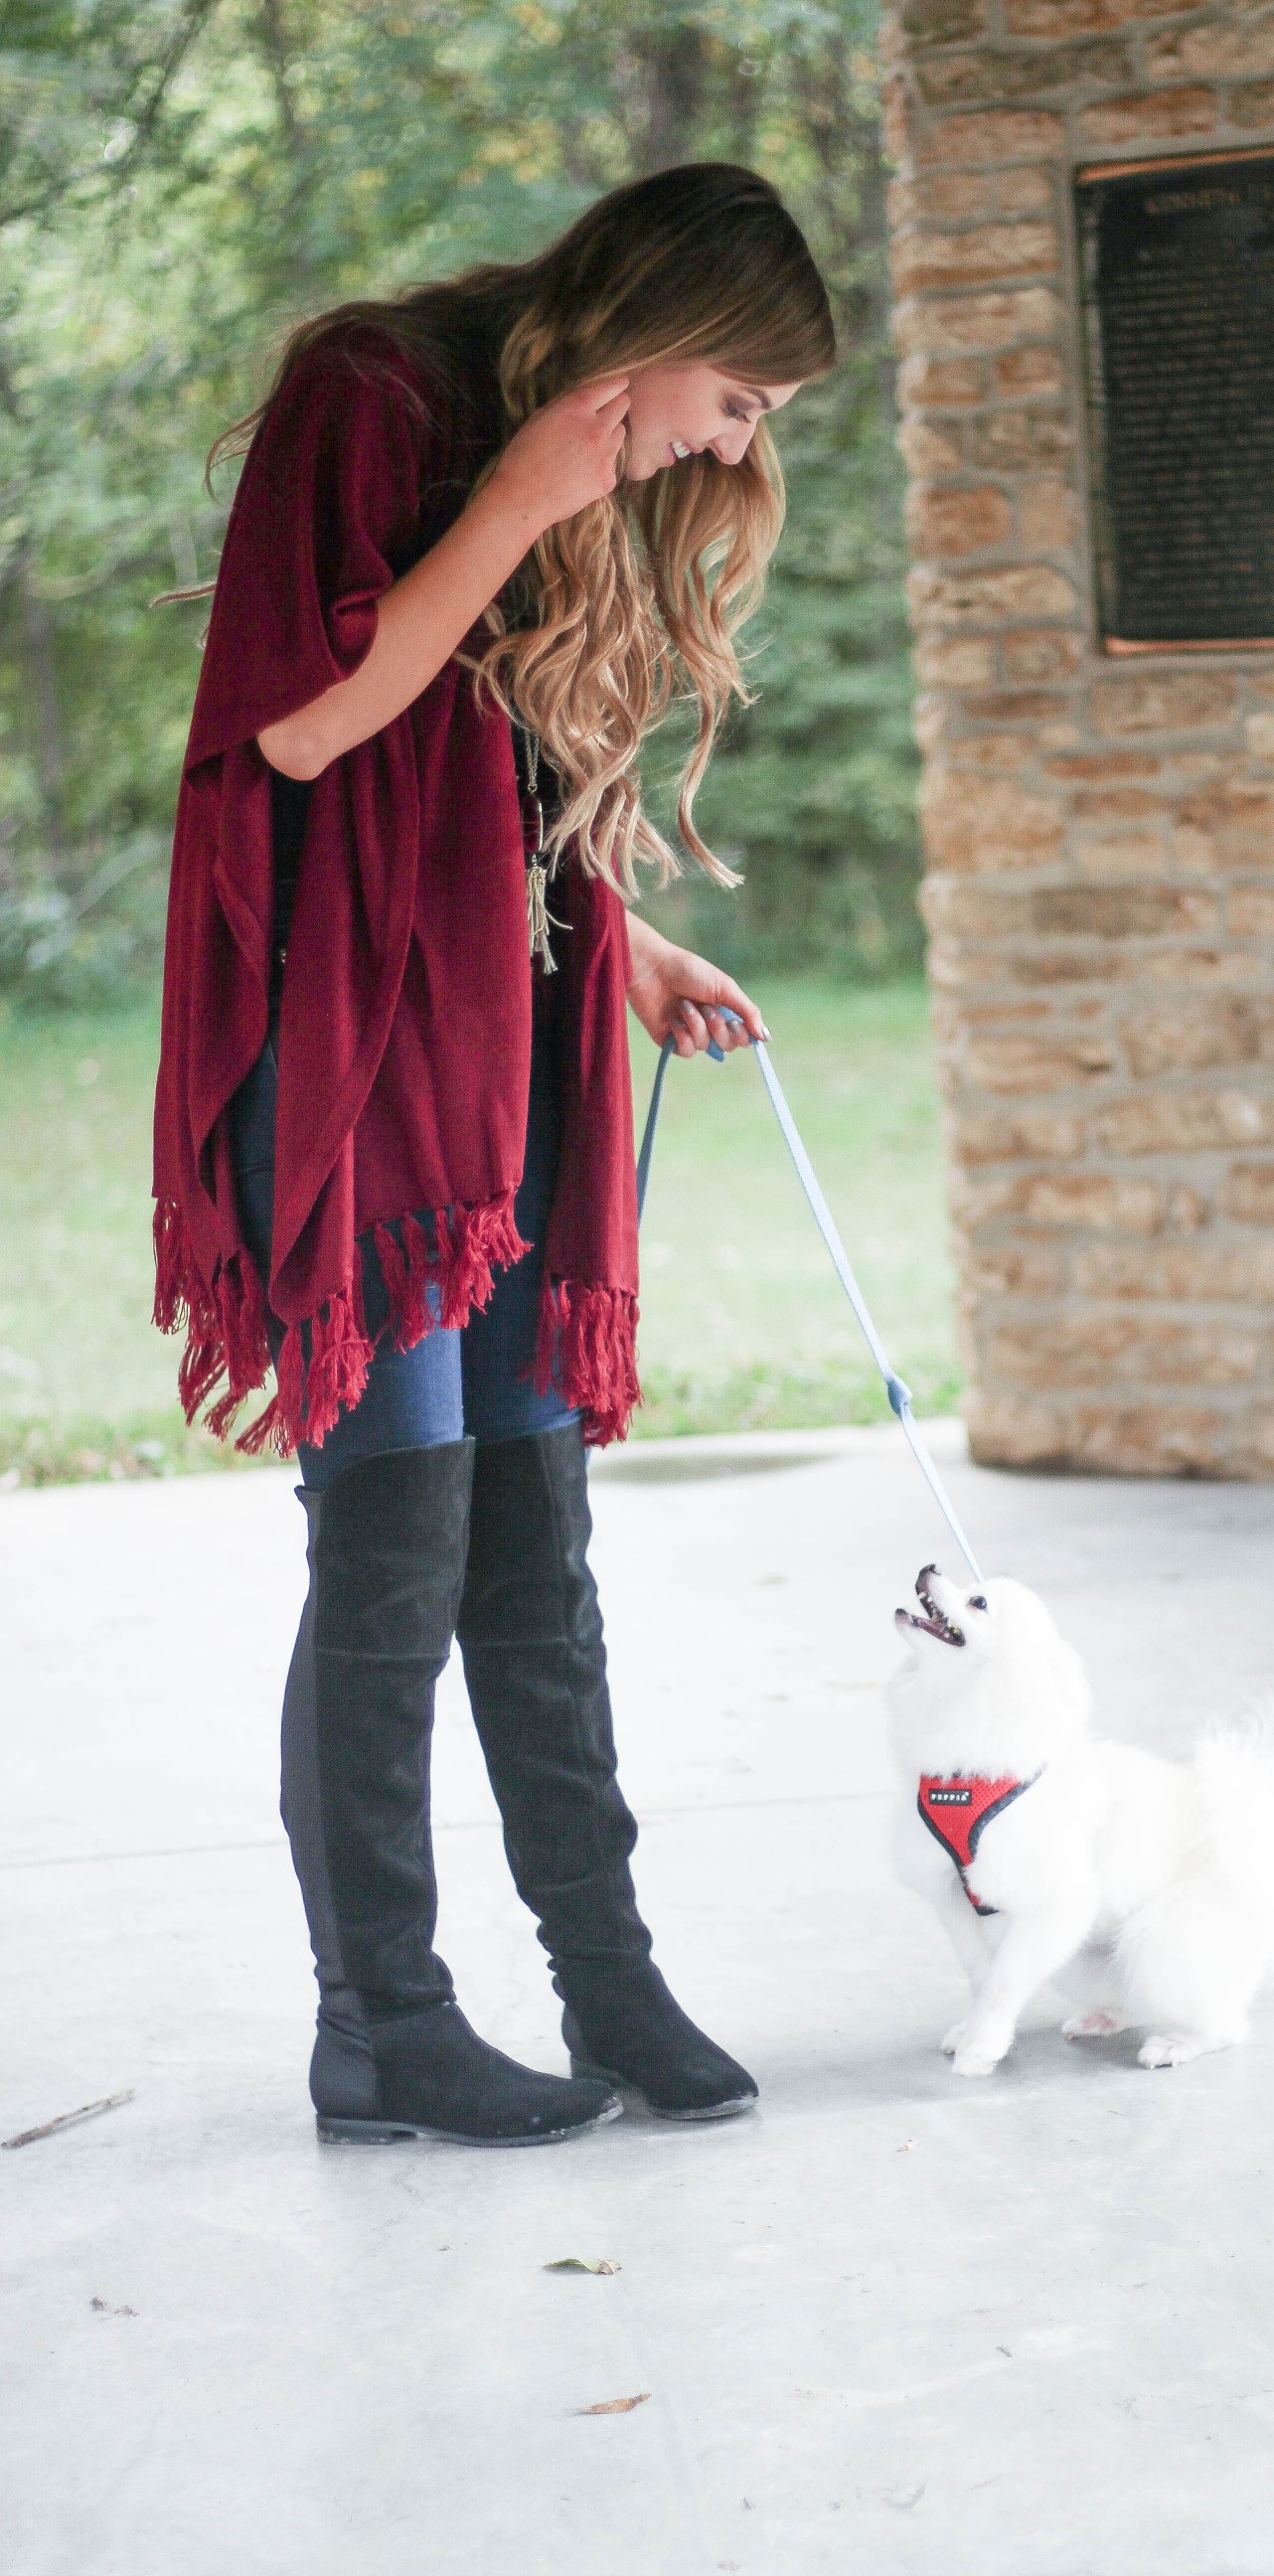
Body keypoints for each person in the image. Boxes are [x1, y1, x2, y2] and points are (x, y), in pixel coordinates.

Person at [151, 164, 836, 2146]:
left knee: (535, 1544)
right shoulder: (372, 397)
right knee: (397, 1547)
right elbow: (300, 729)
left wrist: (627, 946)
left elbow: (517, 770)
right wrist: (523, 497)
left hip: (515, 1035)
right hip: (360, 1053)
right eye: (741, 395)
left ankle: (608, 1986)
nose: (734, 441)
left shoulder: (599, 463)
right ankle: (383, 2023)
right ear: (656, 316)